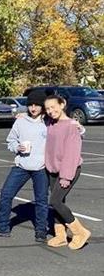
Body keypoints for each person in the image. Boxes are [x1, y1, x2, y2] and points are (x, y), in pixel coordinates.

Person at [0, 90, 49, 243]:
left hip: (41, 167)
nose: (33, 108)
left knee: (41, 200)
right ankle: (2, 227)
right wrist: (17, 147)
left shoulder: (48, 123)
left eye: (37, 105)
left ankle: (41, 231)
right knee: (6, 194)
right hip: (21, 164)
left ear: (42, 106)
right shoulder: (21, 121)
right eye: (30, 105)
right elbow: (11, 141)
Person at [43, 94, 90, 249]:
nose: (50, 111)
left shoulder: (71, 126)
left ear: (62, 104)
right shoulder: (50, 122)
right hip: (53, 170)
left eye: (53, 107)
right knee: (59, 203)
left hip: (68, 171)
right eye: (47, 108)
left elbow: (72, 154)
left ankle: (80, 232)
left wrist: (66, 177)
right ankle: (60, 236)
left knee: (55, 201)